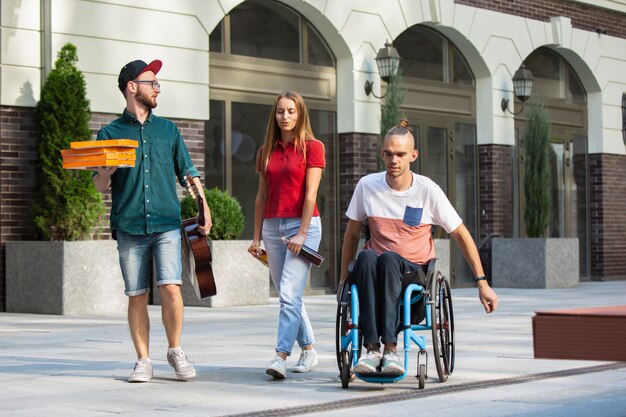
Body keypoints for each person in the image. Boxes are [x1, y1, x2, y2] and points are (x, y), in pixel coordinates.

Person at [338, 119, 498, 376]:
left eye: (400, 154)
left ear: (413, 155)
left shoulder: (427, 191)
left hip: (412, 275)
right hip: (375, 272)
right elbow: (352, 233)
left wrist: (481, 282)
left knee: (390, 258)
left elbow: (461, 234)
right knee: (367, 256)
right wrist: (344, 278)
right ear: (382, 154)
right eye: (388, 154)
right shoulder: (367, 186)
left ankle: (391, 349)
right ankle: (372, 350)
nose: (394, 160)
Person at [93, 59, 212, 383]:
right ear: (132, 87)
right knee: (137, 294)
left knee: (172, 288)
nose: (157, 87)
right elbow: (99, 185)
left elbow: (188, 171)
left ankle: (175, 350)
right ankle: (143, 359)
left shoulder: (168, 130)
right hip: (129, 224)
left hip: (166, 223)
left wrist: (204, 205)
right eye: (151, 82)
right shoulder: (110, 133)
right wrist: (104, 174)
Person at [247, 91, 325, 379]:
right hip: (272, 226)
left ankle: (280, 356)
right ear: (275, 115)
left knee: (290, 294)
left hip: (303, 226)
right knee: (287, 295)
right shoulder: (265, 150)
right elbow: (261, 195)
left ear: (300, 113)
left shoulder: (313, 147)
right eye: (281, 111)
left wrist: (303, 233)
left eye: (291, 111)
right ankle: (309, 349)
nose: (286, 116)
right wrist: (256, 238)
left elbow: (311, 194)